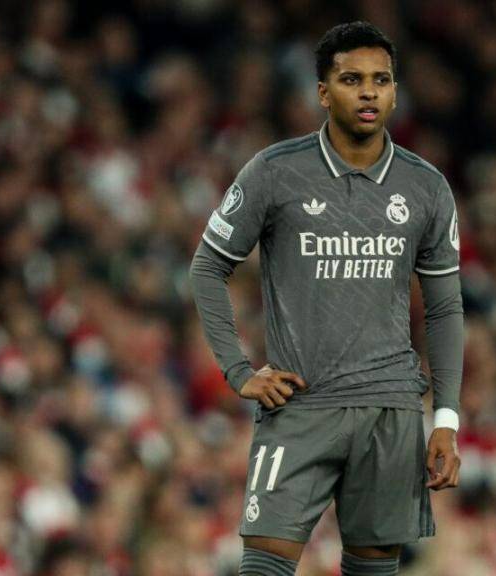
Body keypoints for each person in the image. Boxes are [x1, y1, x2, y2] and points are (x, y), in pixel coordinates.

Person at [189, 21, 465, 576]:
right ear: (323, 91)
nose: (369, 92)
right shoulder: (275, 172)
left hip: (390, 410)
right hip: (299, 406)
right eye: (351, 79)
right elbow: (207, 267)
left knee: (373, 567)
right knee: (264, 564)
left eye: (381, 80)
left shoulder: (426, 186)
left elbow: (444, 308)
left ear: (394, 91)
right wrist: (238, 371)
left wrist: (446, 419)